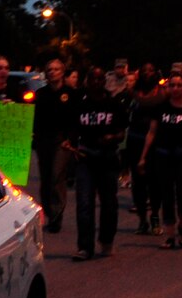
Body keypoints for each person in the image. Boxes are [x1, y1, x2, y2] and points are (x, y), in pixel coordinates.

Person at [65, 66, 129, 260]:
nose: (96, 82)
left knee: (109, 204)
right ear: (87, 81)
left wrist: (111, 137)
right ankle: (84, 246)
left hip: (108, 158)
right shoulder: (80, 104)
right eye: (92, 79)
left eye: (100, 79)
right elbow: (73, 131)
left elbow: (121, 133)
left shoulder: (114, 103)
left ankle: (106, 241)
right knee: (84, 204)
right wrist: (70, 145)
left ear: (104, 82)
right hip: (85, 158)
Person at [138, 73, 182, 249]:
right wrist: (143, 157)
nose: (175, 88)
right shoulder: (161, 107)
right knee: (166, 194)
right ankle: (169, 234)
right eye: (172, 85)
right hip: (163, 155)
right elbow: (152, 132)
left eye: (179, 85)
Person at [32, 58, 77, 233]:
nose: (52, 72)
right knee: (46, 178)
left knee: (56, 176)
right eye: (49, 69)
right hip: (44, 141)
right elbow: (33, 116)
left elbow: (75, 120)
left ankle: (57, 215)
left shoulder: (70, 94)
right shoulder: (41, 94)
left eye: (56, 69)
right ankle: (50, 213)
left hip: (61, 141)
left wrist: (71, 139)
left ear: (62, 71)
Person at [128, 62, 164, 234]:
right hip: (135, 140)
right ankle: (142, 219)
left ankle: (155, 215)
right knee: (138, 182)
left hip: (156, 142)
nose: (148, 73)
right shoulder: (132, 94)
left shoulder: (162, 94)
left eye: (151, 70)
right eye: (144, 71)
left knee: (156, 181)